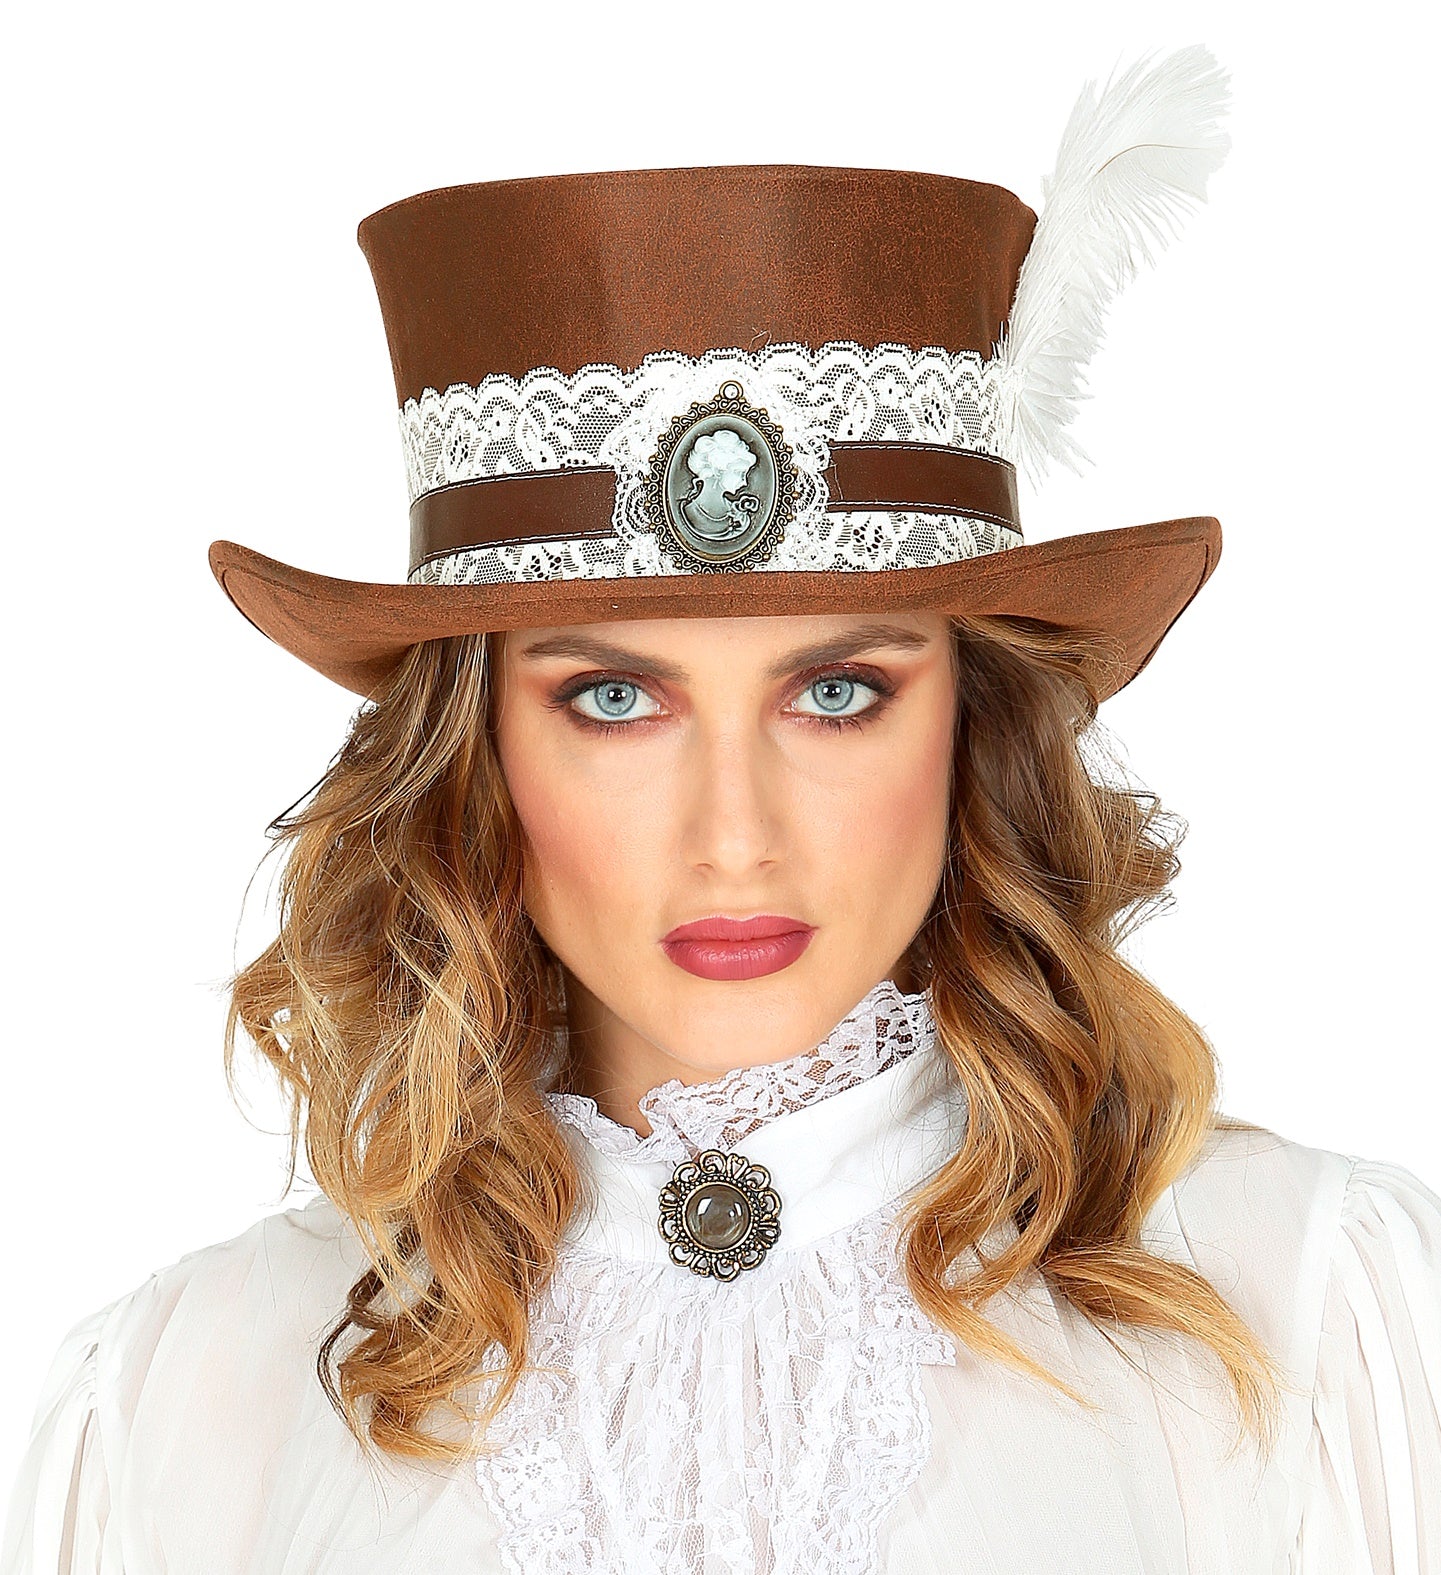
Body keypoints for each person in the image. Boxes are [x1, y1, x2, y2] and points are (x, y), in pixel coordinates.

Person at [3, 45, 1437, 1575]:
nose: (735, 835)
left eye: (838, 692)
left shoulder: (1293, 1311)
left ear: (971, 722)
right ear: (476, 746)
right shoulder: (195, 1394)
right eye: (615, 700)